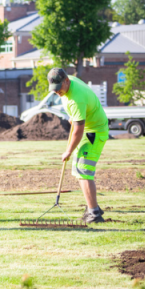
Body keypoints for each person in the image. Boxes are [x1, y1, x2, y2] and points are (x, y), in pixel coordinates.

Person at [49, 68, 108, 224]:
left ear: (66, 80)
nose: (57, 92)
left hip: (94, 132)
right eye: (54, 90)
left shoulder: (76, 98)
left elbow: (79, 130)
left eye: (59, 88)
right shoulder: (70, 86)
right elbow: (78, 114)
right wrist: (74, 117)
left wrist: (68, 150)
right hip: (88, 127)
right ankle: (92, 207)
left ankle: (94, 214)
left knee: (84, 171)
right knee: (78, 170)